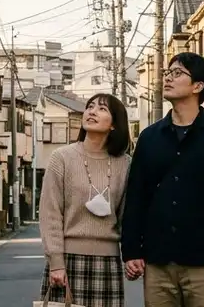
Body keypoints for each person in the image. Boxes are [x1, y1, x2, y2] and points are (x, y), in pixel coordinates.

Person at [120, 52, 204, 307]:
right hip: (158, 261)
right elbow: (136, 197)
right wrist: (131, 250)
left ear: (198, 86)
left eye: (178, 73)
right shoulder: (149, 137)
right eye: (168, 73)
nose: (168, 78)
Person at [38, 93, 133, 307]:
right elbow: (50, 213)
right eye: (90, 107)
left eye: (102, 109)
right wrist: (56, 262)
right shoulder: (61, 158)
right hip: (67, 261)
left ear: (115, 124)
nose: (92, 111)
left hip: (108, 263)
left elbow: (128, 216)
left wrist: (132, 256)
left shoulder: (126, 164)